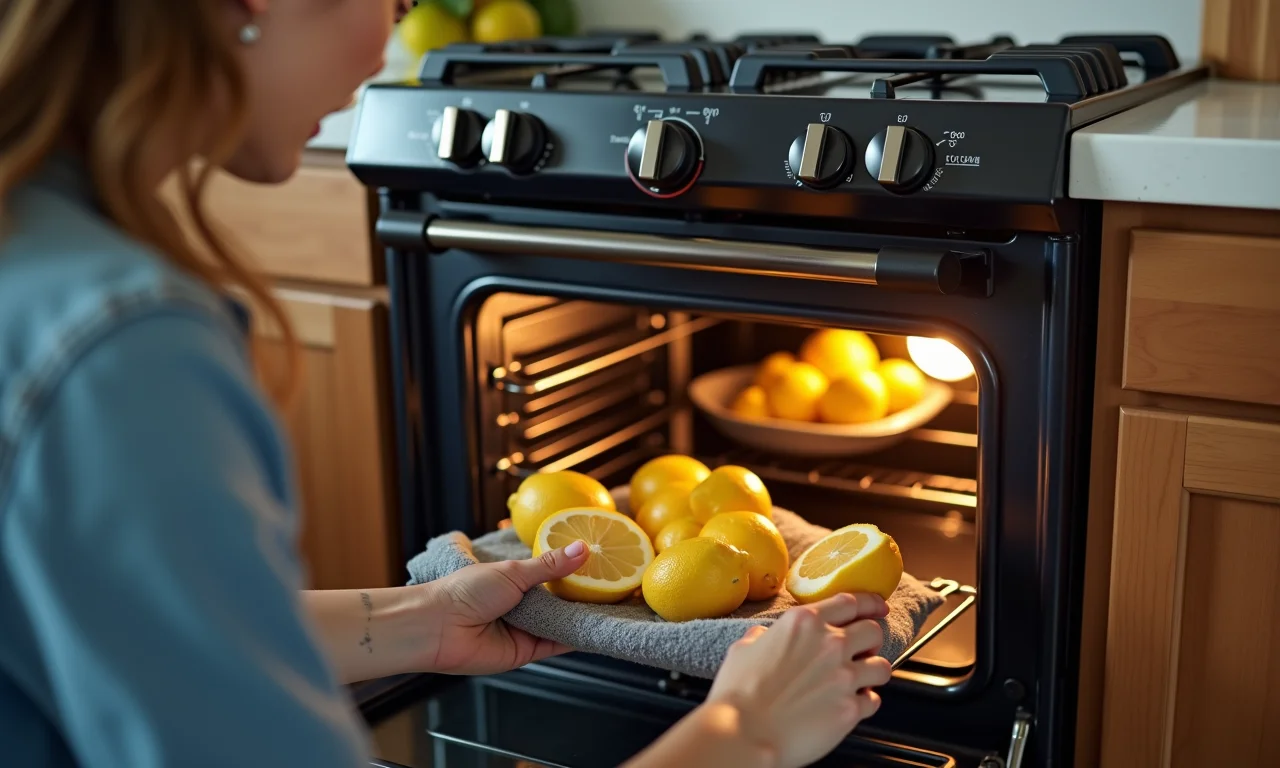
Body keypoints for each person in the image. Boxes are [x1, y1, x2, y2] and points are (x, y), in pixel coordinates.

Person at [0, 2, 895, 767]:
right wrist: (745, 731)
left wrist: (411, 621)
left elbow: (141, 639)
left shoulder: (42, 257)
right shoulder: (126, 347)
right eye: (389, 4)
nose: (385, 53)